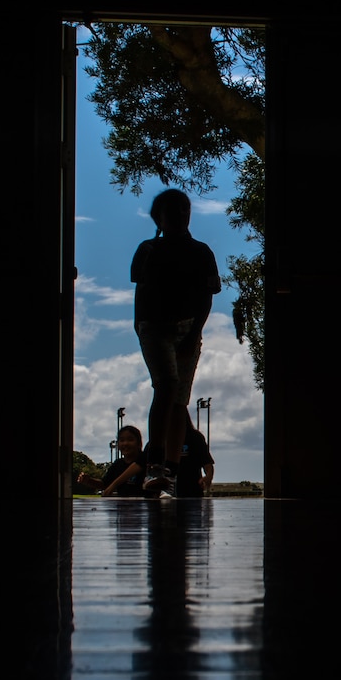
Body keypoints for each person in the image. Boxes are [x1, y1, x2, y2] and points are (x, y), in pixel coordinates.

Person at [131, 189, 222, 496]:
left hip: (187, 328)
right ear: (161, 217)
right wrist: (139, 324)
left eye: (185, 210)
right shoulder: (147, 250)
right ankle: (156, 465)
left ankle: (168, 470)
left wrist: (195, 332)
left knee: (179, 399)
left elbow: (207, 298)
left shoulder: (201, 252)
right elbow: (141, 292)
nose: (181, 215)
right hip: (154, 327)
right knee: (167, 386)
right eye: (174, 211)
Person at [99, 425, 150, 497]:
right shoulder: (117, 464)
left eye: (130, 440)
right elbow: (104, 484)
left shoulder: (146, 458)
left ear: (139, 443)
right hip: (122, 506)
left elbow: (139, 464)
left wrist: (113, 485)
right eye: (122, 440)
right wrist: (88, 481)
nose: (125, 443)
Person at [174, 422, 216, 498]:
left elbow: (207, 464)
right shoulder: (162, 438)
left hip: (193, 490)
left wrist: (208, 477)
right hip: (169, 491)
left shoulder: (195, 437)